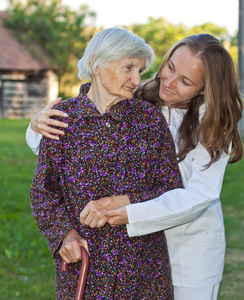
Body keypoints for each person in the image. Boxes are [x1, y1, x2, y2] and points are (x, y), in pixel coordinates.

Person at [26, 33, 243, 300]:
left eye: (185, 81)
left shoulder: (211, 122)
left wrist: (128, 207)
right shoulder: (137, 98)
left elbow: (197, 195)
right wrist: (36, 126)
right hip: (116, 252)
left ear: (204, 89)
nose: (169, 82)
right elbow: (52, 171)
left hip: (188, 247)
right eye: (170, 68)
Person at [29, 27, 182, 299]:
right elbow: (44, 193)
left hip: (142, 267)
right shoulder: (62, 119)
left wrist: (127, 200)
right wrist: (65, 236)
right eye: (129, 68)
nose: (137, 79)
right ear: (96, 63)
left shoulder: (149, 119)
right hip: (85, 265)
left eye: (141, 70)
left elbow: (171, 189)